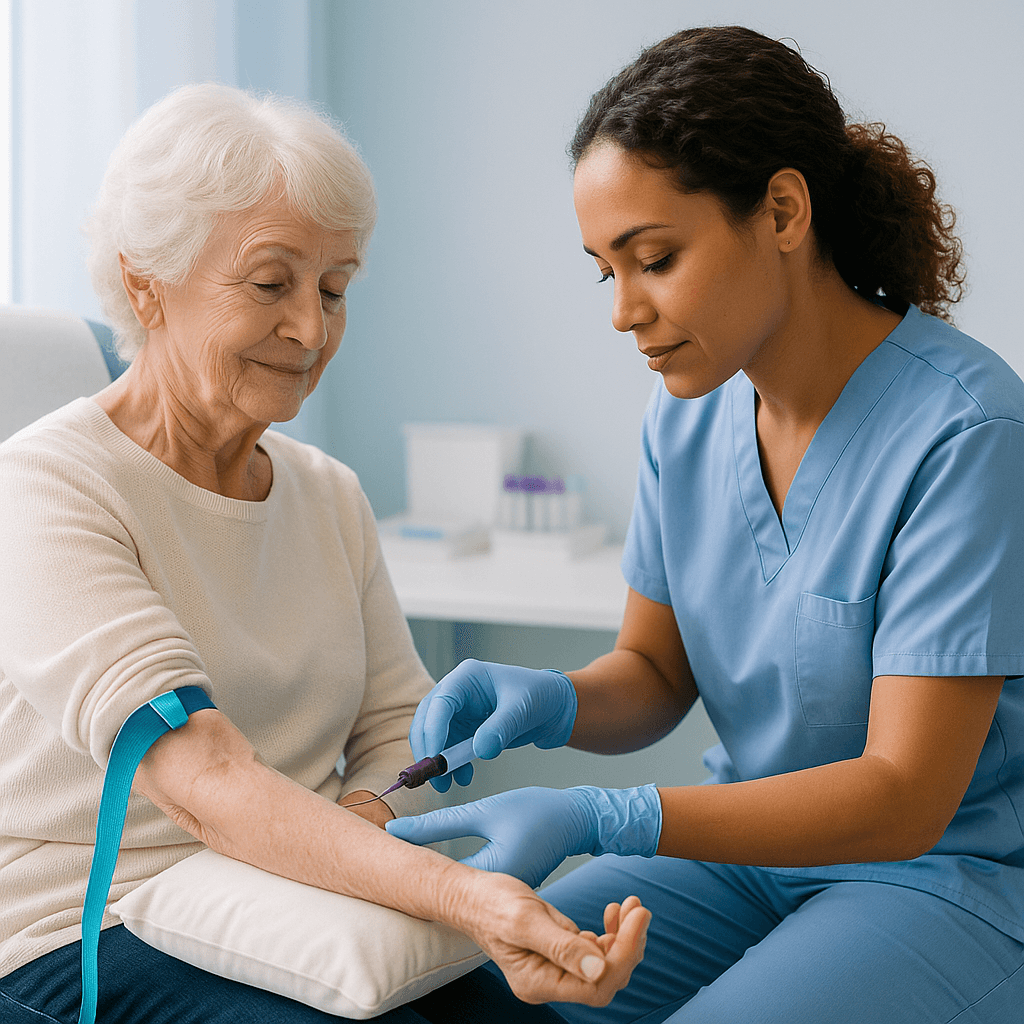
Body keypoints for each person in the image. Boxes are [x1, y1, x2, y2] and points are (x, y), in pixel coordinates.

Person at [385, 26, 1024, 1024]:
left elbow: (905, 792)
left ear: (781, 210)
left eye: (654, 259)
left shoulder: (965, 430)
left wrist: (609, 814)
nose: (623, 311)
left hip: (937, 874)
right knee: (472, 992)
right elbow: (653, 674)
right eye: (606, 270)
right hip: (743, 862)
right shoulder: (686, 417)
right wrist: (547, 701)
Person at [0, 84, 650, 1024]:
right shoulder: (43, 490)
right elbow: (206, 781)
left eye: (334, 289)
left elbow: (395, 723)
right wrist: (466, 897)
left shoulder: (328, 495)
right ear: (147, 284)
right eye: (271, 285)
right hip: (85, 927)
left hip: (287, 905)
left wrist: (366, 824)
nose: (312, 330)